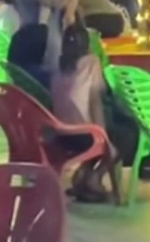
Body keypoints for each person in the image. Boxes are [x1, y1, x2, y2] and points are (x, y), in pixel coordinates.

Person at [50, 24, 114, 202]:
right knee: (125, 137)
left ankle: (83, 175)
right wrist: (104, 137)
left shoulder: (57, 64)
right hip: (84, 135)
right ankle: (94, 178)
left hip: (62, 135)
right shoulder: (91, 62)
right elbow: (95, 101)